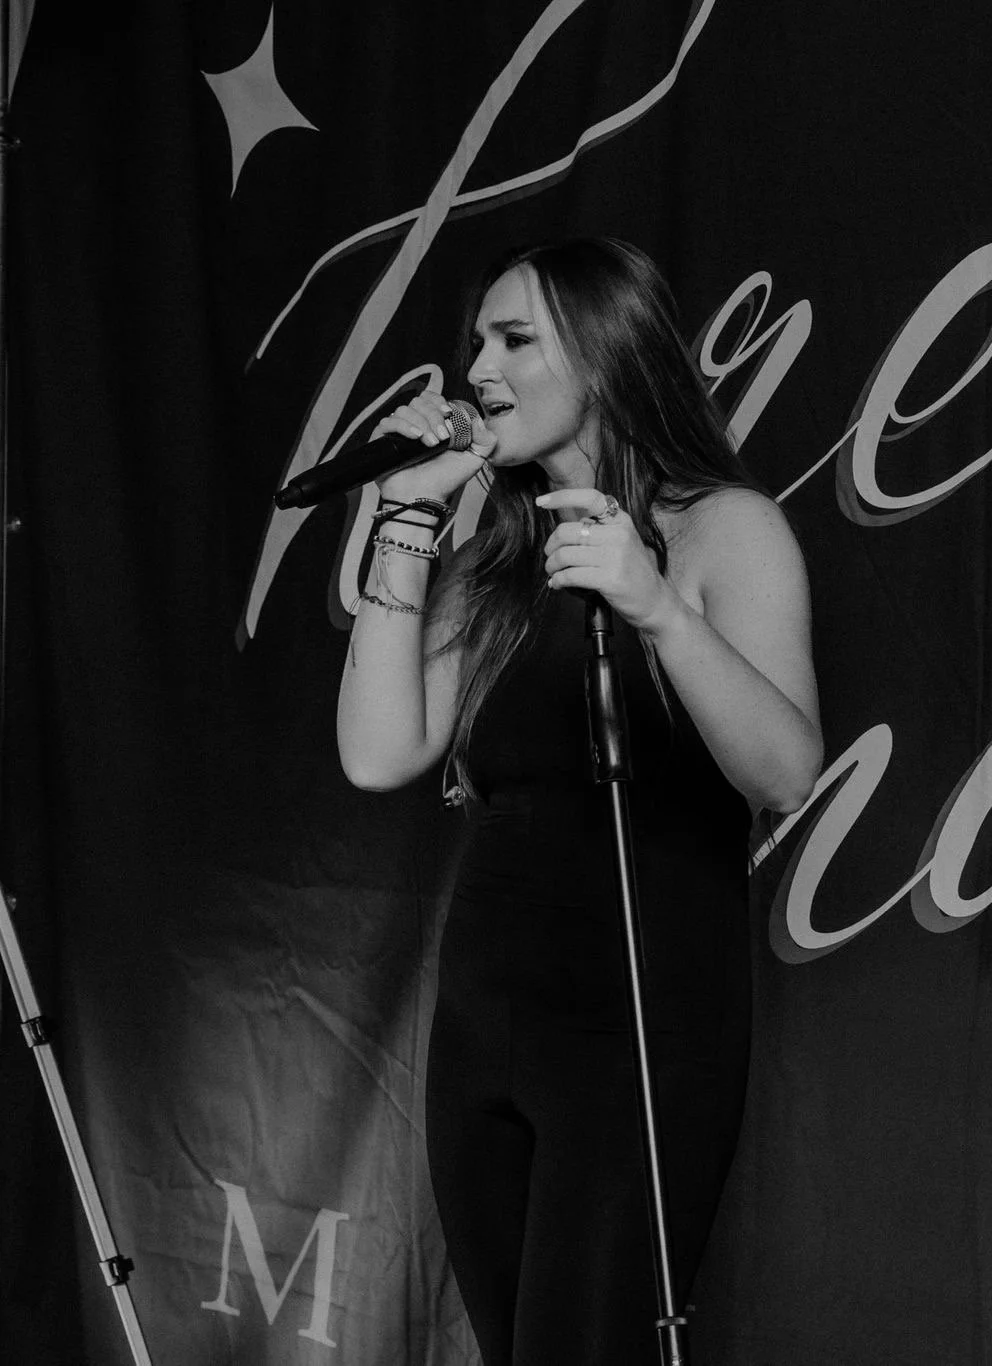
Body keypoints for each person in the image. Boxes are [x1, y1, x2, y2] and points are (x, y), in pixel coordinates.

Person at [335, 237, 822, 1365]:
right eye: (476, 343)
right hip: (485, 1022)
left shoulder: (721, 529)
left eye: (514, 340)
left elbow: (785, 772)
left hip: (637, 1025)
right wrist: (407, 519)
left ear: (604, 357)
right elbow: (377, 751)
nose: (477, 370)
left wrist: (657, 608)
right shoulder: (494, 561)